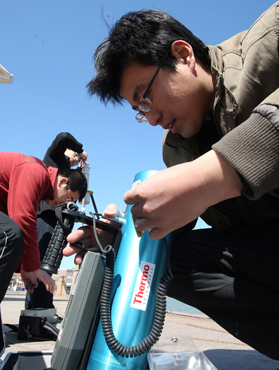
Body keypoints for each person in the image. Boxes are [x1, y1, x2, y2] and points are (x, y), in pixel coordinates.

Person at [63, 3, 279, 361]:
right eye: (139, 111)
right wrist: (121, 237)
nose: (149, 119)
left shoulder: (268, 40)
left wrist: (214, 174)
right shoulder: (176, 149)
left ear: (182, 54)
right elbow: (174, 230)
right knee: (165, 259)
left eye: (144, 98)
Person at [0, 151, 87, 302]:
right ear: (62, 182)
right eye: (68, 198)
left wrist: (24, 266)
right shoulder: (35, 170)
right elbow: (22, 218)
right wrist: (34, 266)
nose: (63, 204)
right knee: (9, 234)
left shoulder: (39, 187)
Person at [26, 132, 88, 309]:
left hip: (60, 223)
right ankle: (35, 311)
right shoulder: (54, 158)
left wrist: (82, 172)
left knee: (50, 265)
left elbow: (75, 196)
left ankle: (44, 308)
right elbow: (63, 137)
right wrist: (81, 150)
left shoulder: (69, 172)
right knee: (42, 262)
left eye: (78, 157)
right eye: (74, 154)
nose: (76, 158)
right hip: (46, 217)